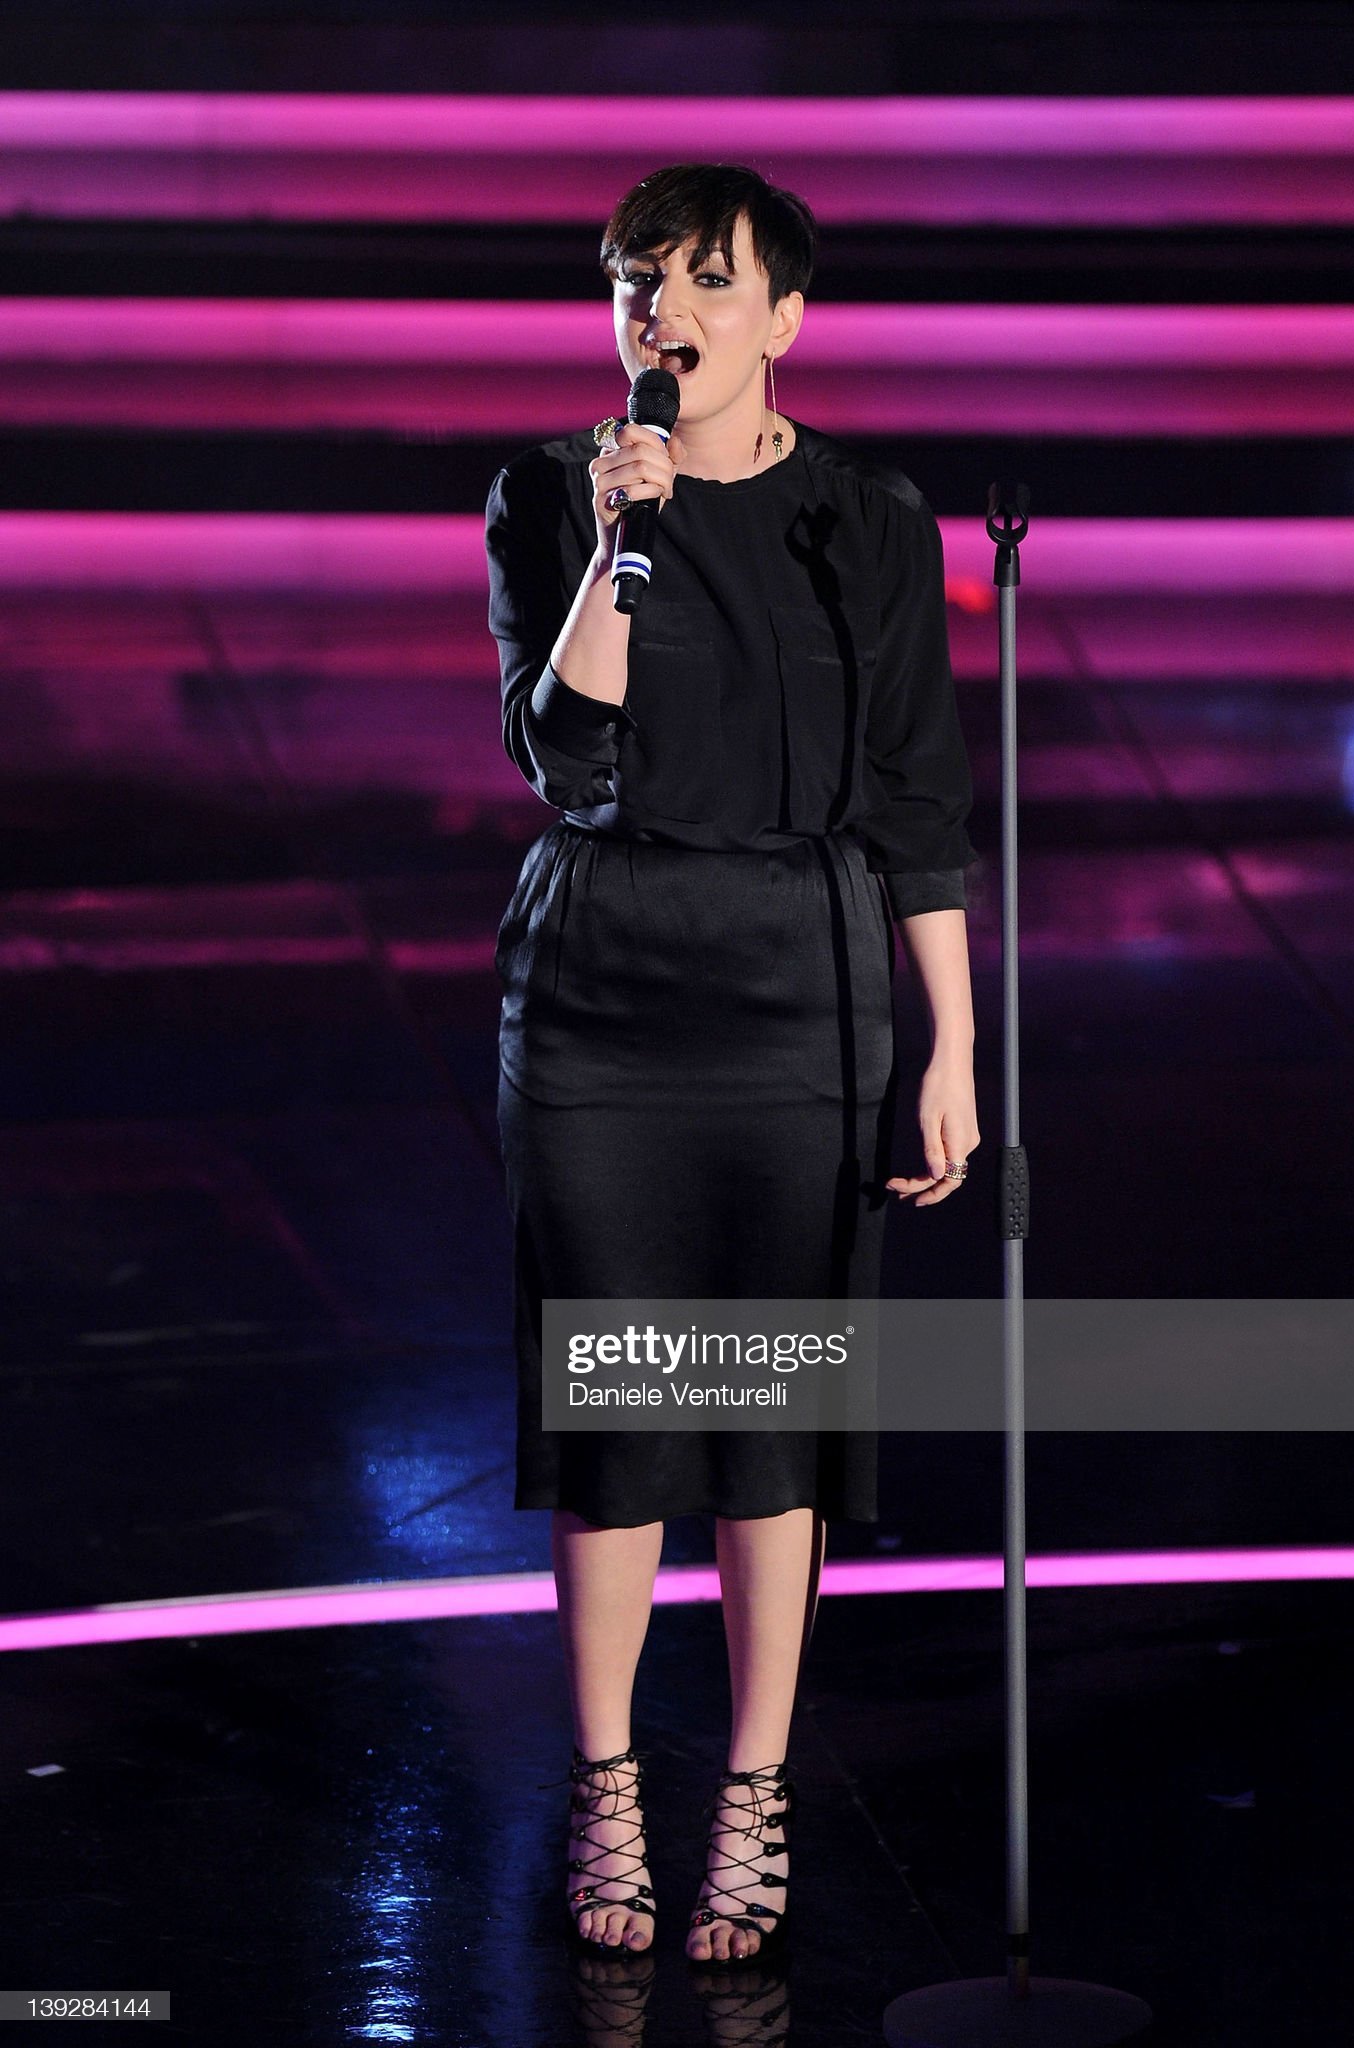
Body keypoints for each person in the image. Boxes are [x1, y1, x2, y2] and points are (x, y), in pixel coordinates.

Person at [485, 163, 980, 1967]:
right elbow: (561, 754)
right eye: (637, 281)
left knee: (771, 1410)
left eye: (705, 280)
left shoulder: (867, 517)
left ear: (782, 315)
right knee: (619, 1409)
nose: (664, 313)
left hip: (803, 977)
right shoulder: (554, 490)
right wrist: (621, 536)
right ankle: (608, 1785)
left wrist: (953, 1041)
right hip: (605, 974)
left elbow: (915, 793)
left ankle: (754, 1791)